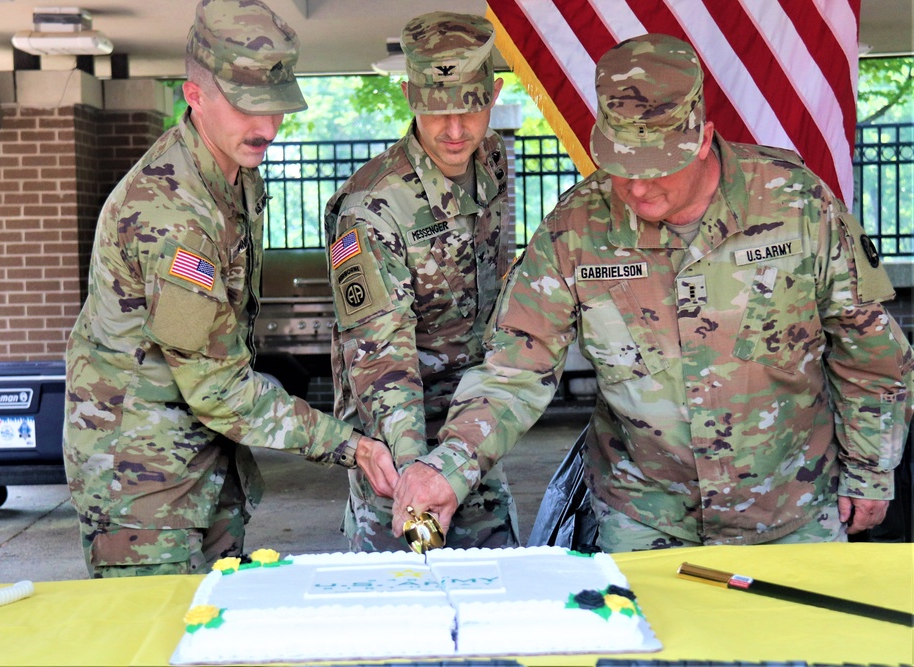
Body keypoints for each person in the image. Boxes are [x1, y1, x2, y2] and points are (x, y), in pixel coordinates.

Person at [390, 33, 914, 552]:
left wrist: (871, 468)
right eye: (620, 167)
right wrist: (448, 468)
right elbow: (514, 370)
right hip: (644, 516)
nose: (637, 189)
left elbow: (866, 347)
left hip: (792, 506)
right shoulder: (575, 229)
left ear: (703, 140)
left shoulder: (797, 204)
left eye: (655, 167)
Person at [63, 0, 398, 578]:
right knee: (156, 643)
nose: (267, 128)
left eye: (278, 108)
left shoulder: (232, 174)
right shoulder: (173, 215)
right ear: (195, 95)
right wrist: (352, 446)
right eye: (248, 107)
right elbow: (216, 386)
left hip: (204, 461)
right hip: (144, 484)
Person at [323, 11, 519, 551]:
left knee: (493, 599)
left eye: (470, 108)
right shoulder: (370, 208)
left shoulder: (494, 161)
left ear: (494, 93)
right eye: (437, 112)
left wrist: (472, 442)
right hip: (396, 443)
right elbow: (381, 356)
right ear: (409, 95)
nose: (455, 131)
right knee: (402, 603)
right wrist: (416, 477)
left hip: (473, 432)